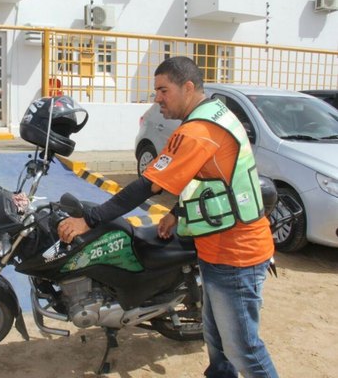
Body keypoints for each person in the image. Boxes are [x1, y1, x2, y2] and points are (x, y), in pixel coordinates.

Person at [58, 56, 278, 378]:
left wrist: (89, 219)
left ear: (188, 87)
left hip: (237, 255)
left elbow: (146, 186)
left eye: (163, 90)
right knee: (218, 345)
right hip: (217, 250)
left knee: (243, 351)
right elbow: (213, 177)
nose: (157, 98)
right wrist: (176, 213)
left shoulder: (197, 131)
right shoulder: (215, 114)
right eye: (155, 91)